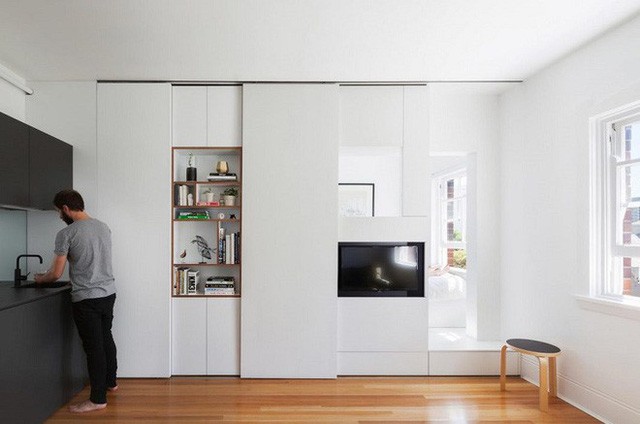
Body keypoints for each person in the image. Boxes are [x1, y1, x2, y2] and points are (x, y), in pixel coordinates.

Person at [35, 189, 118, 413]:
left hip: (86, 298)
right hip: (108, 293)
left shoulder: (67, 233)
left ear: (65, 208)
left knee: (94, 348)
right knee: (106, 338)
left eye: (58, 211)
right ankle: (111, 382)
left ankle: (97, 400)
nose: (59, 216)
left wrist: (40, 279)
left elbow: (55, 274)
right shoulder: (103, 226)